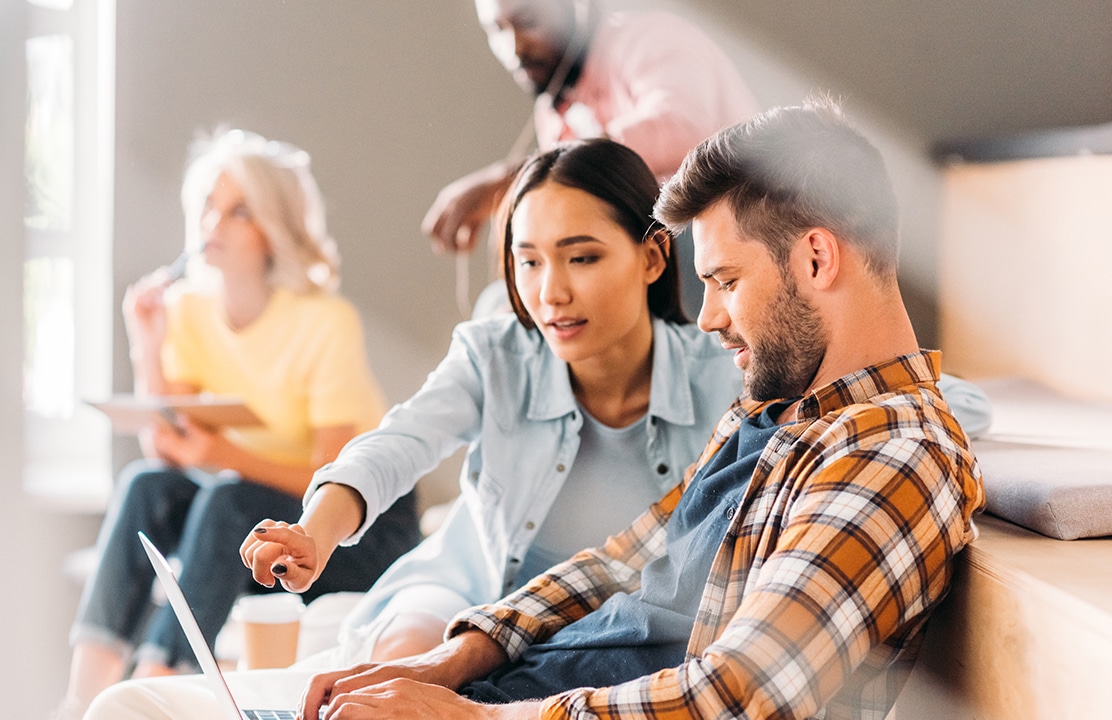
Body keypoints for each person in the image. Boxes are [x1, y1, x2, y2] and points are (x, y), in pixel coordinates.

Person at [82, 130, 990, 720]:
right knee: (134, 708)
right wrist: (454, 662)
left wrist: (470, 717)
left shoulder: (890, 456)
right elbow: (623, 560)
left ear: (818, 256)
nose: (708, 318)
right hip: (505, 686)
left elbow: (737, 694)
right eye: (528, 262)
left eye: (725, 282)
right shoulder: (774, 412)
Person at [57, 129, 421, 719]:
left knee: (229, 497)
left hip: (353, 528)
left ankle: (150, 687)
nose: (214, 224)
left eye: (239, 211)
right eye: (208, 206)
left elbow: (330, 477)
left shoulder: (325, 322)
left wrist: (225, 455)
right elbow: (170, 448)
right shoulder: (191, 312)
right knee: (145, 485)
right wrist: (144, 341)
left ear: (274, 230)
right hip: (261, 520)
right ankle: (78, 700)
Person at [425, 0, 759, 255]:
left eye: (527, 21)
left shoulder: (651, 37)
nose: (515, 48)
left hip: (745, 231)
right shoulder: (554, 113)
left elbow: (681, 129)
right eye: (497, 30)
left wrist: (516, 176)